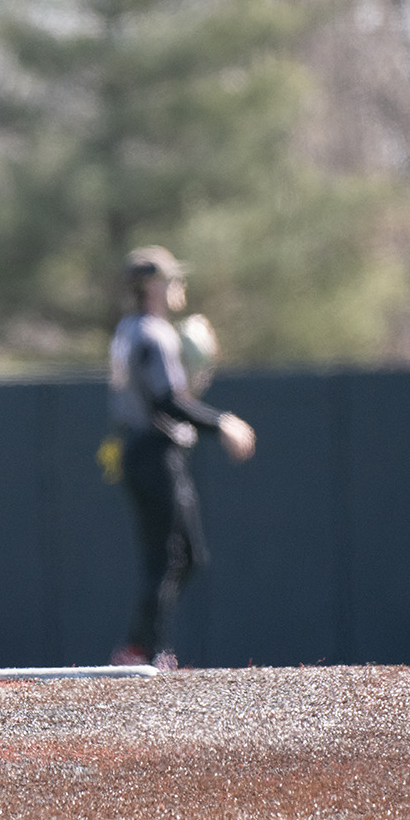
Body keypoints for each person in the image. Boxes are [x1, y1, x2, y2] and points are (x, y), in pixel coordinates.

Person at [105, 246, 254, 671]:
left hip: (141, 449)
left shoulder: (129, 329)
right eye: (170, 279)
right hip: (153, 451)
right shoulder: (153, 332)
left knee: (182, 556)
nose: (176, 286)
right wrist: (222, 422)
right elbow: (168, 401)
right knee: (171, 556)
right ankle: (142, 652)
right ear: (152, 285)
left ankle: (143, 649)